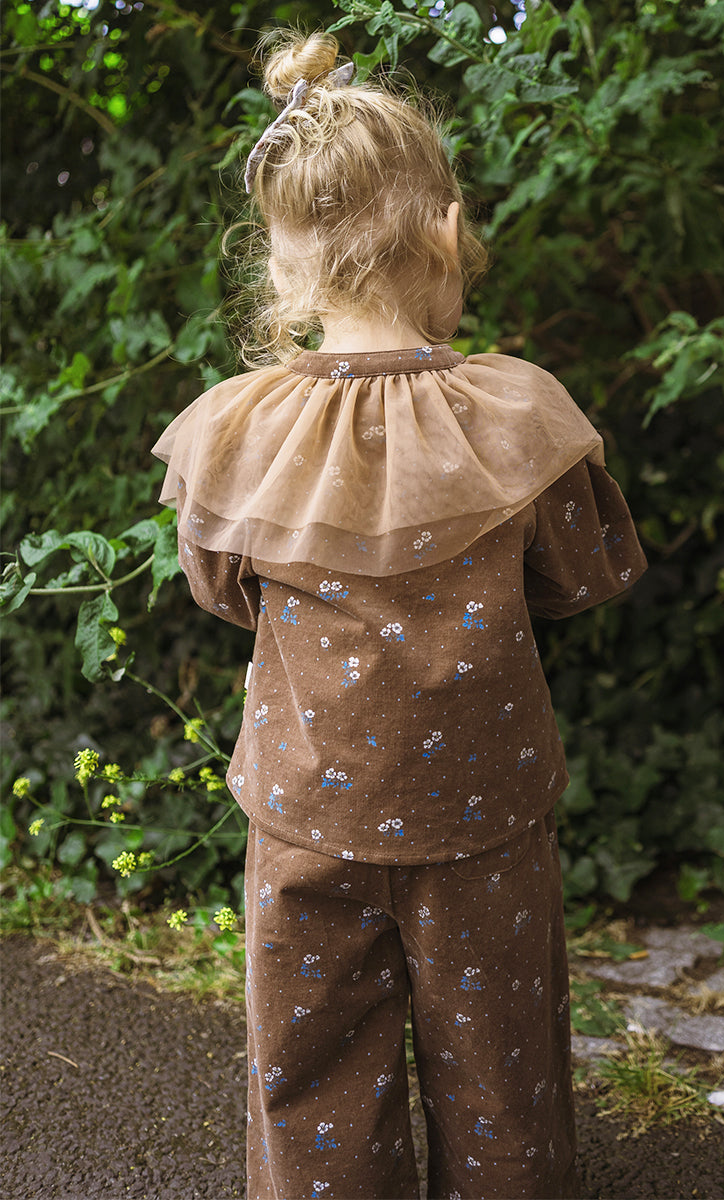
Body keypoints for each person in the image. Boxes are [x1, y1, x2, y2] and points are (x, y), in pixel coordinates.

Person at [152, 29, 647, 1200]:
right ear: (448, 231)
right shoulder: (514, 415)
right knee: (504, 1078)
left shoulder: (238, 432)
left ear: (283, 271)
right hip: (484, 814)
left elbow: (221, 592)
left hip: (305, 811)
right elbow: (585, 572)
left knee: (313, 1081)